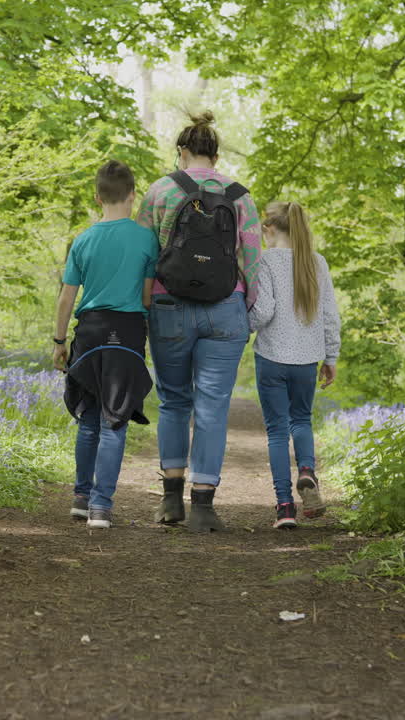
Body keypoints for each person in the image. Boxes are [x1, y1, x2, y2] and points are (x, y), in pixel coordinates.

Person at [137, 111, 261, 532]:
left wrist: (142, 305)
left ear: (182, 152)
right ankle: (204, 507)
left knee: (174, 400)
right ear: (216, 154)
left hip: (169, 307)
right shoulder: (241, 196)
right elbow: (253, 261)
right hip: (225, 308)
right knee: (212, 407)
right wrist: (248, 309)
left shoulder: (159, 191)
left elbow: (143, 253)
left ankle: (171, 501)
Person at [53, 159, 158, 530]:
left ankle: (81, 497)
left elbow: (67, 298)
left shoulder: (82, 240)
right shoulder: (147, 239)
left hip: (89, 333)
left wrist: (59, 341)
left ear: (97, 197)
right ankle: (101, 507)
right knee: (116, 421)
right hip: (127, 333)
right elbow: (147, 299)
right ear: (133, 195)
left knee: (90, 418)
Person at [248, 201, 341, 529]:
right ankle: (306, 471)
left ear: (269, 230)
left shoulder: (265, 260)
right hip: (306, 359)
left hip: (271, 358)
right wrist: (331, 357)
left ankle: (285, 508)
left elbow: (264, 312)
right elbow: (329, 315)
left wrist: (242, 325)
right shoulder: (317, 263)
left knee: (276, 432)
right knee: (301, 421)